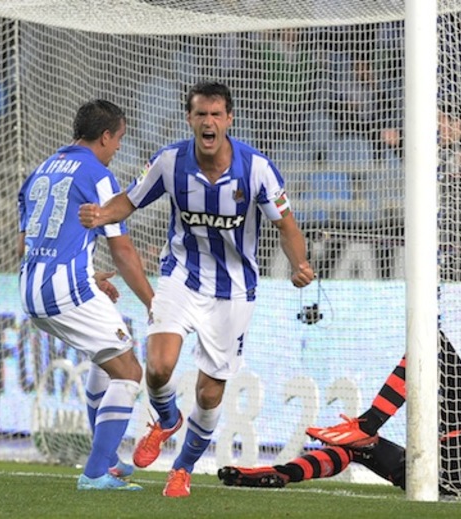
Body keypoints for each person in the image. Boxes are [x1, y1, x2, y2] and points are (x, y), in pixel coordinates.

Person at [78, 81, 315, 498]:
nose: (208, 122)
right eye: (200, 114)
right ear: (190, 119)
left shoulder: (256, 168)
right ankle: (166, 419)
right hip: (180, 277)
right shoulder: (169, 162)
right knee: (157, 367)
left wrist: (299, 264)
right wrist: (100, 214)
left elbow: (287, 226)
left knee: (209, 394)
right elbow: (128, 201)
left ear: (229, 120)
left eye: (216, 114)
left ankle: (183, 468)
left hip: (234, 292)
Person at [219, 331, 461, 498]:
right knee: (360, 447)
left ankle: (368, 423)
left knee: (430, 342)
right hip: (448, 471)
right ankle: (277, 474)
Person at [17, 99, 154, 491]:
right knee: (129, 371)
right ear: (105, 135)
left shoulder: (42, 169)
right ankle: (96, 473)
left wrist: (88, 274)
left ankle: (107, 458)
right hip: (63, 290)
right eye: (119, 140)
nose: (118, 149)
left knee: (106, 359)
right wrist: (152, 302)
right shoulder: (97, 174)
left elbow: (30, 242)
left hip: (32, 289)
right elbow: (123, 251)